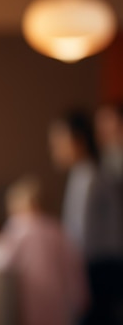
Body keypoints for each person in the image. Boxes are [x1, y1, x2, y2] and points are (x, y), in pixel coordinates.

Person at [0, 175, 88, 325]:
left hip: (32, 294)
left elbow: (3, 263)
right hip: (59, 296)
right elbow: (72, 265)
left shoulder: (17, 227)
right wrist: (79, 296)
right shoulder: (55, 228)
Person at [82, 103, 123, 325]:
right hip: (104, 256)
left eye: (107, 122)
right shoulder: (104, 162)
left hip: (112, 256)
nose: (101, 130)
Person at [48, 109, 98, 253]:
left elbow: (79, 234)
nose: (54, 151)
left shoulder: (89, 178)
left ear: (80, 141)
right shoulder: (79, 174)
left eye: (59, 143)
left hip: (100, 263)